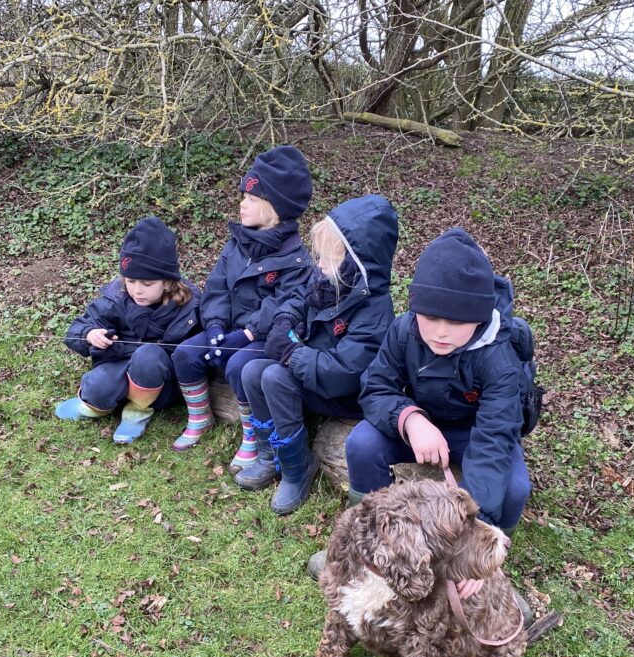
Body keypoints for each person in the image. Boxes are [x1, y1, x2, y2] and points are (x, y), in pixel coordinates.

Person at [308, 228, 532, 599]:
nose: (441, 333)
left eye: (457, 322)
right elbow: (375, 387)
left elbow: (494, 439)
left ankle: (485, 568)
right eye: (430, 317)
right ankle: (366, 546)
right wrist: (410, 418)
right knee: (363, 444)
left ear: (478, 318)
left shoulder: (500, 358)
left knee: (515, 488)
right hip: (423, 422)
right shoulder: (404, 330)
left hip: (478, 431)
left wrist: (478, 534)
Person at [236, 195, 398, 514]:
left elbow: (343, 372)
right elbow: (299, 299)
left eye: (328, 258)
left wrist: (291, 354)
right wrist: (284, 323)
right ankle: (271, 455)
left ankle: (298, 469)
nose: (319, 264)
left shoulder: (374, 310)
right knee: (251, 372)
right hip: (314, 370)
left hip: (346, 393)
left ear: (356, 262)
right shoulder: (328, 277)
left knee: (273, 375)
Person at [170, 145, 313, 473]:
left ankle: (252, 434)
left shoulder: (296, 259)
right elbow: (217, 286)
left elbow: (286, 304)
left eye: (250, 199)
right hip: (229, 330)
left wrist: (247, 333)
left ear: (273, 207)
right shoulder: (236, 243)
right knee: (184, 353)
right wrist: (217, 326)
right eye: (243, 197)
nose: (241, 203)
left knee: (239, 365)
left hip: (262, 338)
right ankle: (200, 417)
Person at [56, 216, 200, 444]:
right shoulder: (117, 298)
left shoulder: (189, 306)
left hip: (161, 382)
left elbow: (196, 353)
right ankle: (96, 407)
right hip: (118, 364)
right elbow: (76, 329)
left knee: (148, 354)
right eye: (131, 281)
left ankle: (137, 411)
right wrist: (89, 335)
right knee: (97, 388)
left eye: (147, 284)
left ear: (168, 282)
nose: (137, 290)